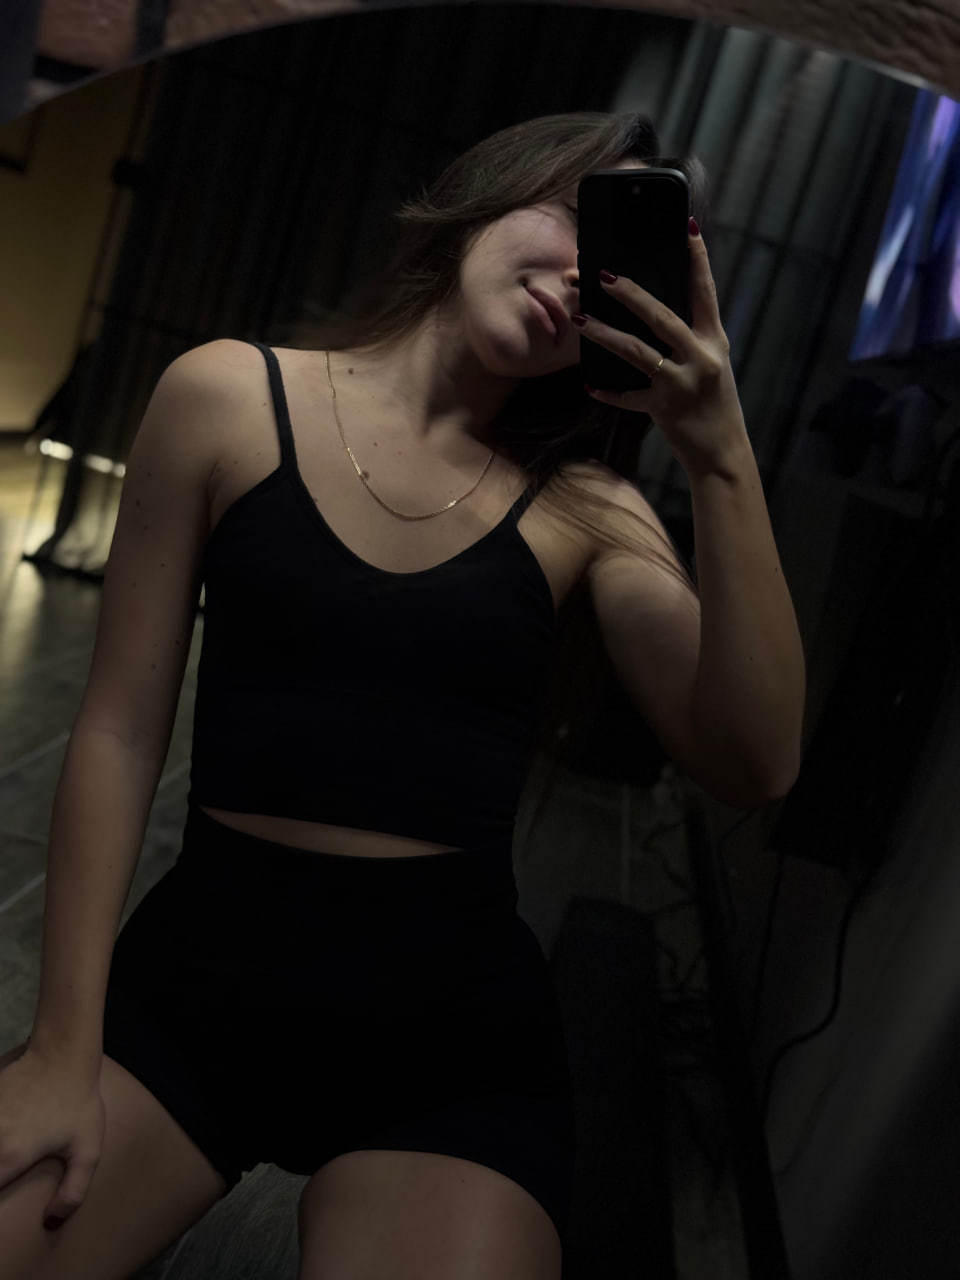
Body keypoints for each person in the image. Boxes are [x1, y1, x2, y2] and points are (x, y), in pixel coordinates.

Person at [0, 110, 755, 1280]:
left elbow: (756, 757)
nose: (580, 280)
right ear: (490, 192)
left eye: (618, 272)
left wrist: (721, 455)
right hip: (196, 983)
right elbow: (117, 727)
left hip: (449, 1041)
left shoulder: (591, 509)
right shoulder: (226, 395)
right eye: (573, 218)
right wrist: (60, 1045)